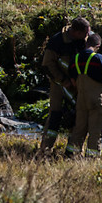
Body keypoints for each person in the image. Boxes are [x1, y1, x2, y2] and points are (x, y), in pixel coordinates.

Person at [39, 17, 90, 152]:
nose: (87, 37)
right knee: (55, 115)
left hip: (78, 86)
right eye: (85, 34)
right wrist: (63, 80)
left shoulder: (85, 40)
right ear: (76, 32)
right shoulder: (57, 41)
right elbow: (47, 65)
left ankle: (73, 151)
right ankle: (46, 148)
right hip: (59, 85)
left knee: (78, 116)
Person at [65, 32, 102, 157]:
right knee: (96, 130)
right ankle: (92, 157)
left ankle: (73, 155)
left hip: (81, 99)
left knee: (79, 128)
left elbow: (73, 81)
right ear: (98, 45)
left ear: (86, 43)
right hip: (97, 99)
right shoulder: (100, 58)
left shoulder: (75, 58)